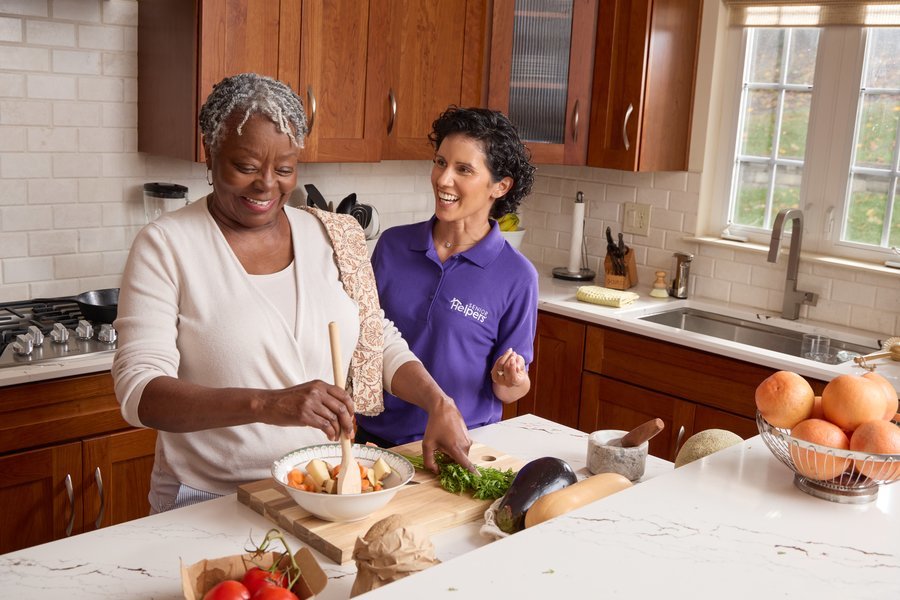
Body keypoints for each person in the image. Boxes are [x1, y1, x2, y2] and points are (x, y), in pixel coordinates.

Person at [112, 73, 473, 513]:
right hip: (208, 499)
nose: (267, 184)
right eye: (246, 167)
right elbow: (139, 394)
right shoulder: (166, 244)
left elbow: (375, 339)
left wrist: (437, 401)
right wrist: (269, 403)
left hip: (317, 491)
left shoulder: (333, 235)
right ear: (210, 155)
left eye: (284, 169)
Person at [356, 106, 538, 447]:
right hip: (375, 440)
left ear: (500, 186)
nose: (443, 179)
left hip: (458, 447)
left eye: (463, 169)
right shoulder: (393, 245)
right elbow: (367, 338)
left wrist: (509, 379)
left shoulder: (517, 276)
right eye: (440, 162)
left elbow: (512, 389)